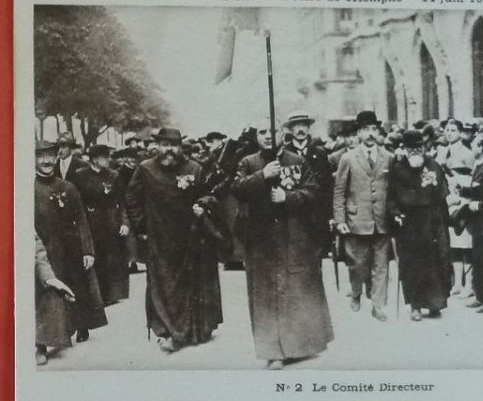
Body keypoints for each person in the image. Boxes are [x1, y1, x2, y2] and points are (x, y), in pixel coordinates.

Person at [232, 116, 333, 368]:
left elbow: (313, 192)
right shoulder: (248, 162)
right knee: (265, 293)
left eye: (273, 130)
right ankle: (273, 351)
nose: (268, 135)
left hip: (293, 236)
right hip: (261, 239)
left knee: (295, 288)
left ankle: (298, 345)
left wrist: (287, 197)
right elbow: (236, 189)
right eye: (263, 131)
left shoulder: (298, 161)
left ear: (283, 134)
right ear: (256, 137)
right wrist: (262, 176)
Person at [127, 127, 220, 353]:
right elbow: (132, 198)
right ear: (157, 146)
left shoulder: (194, 168)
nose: (170, 150)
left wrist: (203, 206)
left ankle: (192, 330)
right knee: (162, 287)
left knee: (189, 286)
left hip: (190, 238)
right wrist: (142, 228)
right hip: (159, 240)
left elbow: (210, 195)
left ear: (180, 147)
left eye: (174, 145)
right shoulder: (146, 169)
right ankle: (165, 333)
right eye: (165, 145)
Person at [33, 140, 102, 361]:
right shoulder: (27, 188)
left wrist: (88, 250)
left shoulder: (68, 187)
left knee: (76, 288)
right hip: (43, 249)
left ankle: (80, 326)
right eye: (41, 156)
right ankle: (42, 345)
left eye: (50, 155)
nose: (46, 160)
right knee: (47, 295)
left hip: (70, 248)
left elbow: (81, 219)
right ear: (34, 159)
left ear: (57, 157)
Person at [331, 110, 392, 319]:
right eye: (366, 130)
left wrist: (396, 213)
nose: (370, 134)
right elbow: (339, 191)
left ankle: (378, 305)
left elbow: (392, 189)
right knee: (358, 264)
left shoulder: (388, 157)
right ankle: (356, 293)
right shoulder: (348, 158)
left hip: (382, 220)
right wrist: (340, 220)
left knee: (381, 264)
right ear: (358, 133)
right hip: (356, 219)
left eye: (373, 129)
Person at [387, 129, 451, 319]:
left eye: (419, 147)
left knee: (437, 261)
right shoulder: (398, 168)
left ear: (424, 147)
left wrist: (444, 220)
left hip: (433, 220)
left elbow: (442, 195)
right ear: (405, 149)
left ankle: (435, 304)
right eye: (411, 148)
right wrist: (395, 213)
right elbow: (391, 197)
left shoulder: (434, 166)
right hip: (410, 222)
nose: (416, 151)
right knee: (412, 264)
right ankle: (415, 305)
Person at [74, 143, 131, 307]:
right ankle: (95, 295)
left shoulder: (114, 176)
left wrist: (124, 222)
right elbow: (76, 202)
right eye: (104, 157)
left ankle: (109, 294)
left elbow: (122, 201)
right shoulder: (80, 176)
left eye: (108, 156)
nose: (108, 159)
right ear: (94, 159)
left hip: (110, 223)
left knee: (110, 260)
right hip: (89, 224)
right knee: (93, 258)